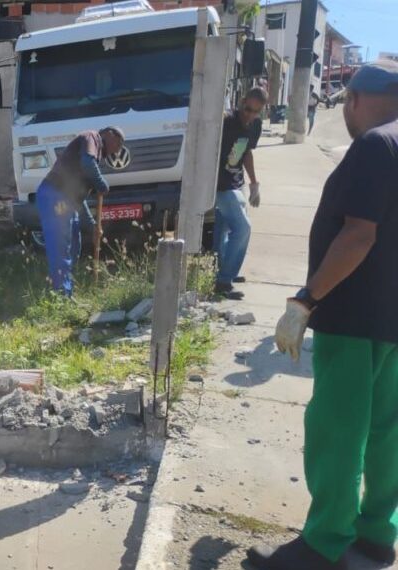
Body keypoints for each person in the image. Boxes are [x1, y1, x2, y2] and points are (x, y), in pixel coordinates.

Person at [250, 60, 398, 570]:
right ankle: (377, 535)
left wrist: (307, 299)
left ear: (355, 98)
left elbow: (358, 234)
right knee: (386, 432)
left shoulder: (377, 145)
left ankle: (325, 542)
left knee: (338, 429)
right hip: (393, 322)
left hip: (354, 317)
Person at [35, 127, 124, 296]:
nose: (117, 150)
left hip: (68, 201)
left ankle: (66, 291)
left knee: (74, 246)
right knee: (61, 248)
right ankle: (61, 295)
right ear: (109, 134)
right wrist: (101, 183)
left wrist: (92, 225)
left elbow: (79, 200)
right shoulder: (92, 137)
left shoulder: (96, 156)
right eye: (118, 144)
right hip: (56, 196)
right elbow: (87, 163)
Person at [214, 87, 267, 300]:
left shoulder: (255, 126)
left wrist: (254, 183)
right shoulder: (227, 121)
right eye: (247, 109)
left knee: (224, 231)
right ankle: (224, 280)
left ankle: (226, 273)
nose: (250, 115)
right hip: (220, 184)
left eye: (256, 112)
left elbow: (247, 153)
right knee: (243, 228)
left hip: (237, 183)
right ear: (242, 101)